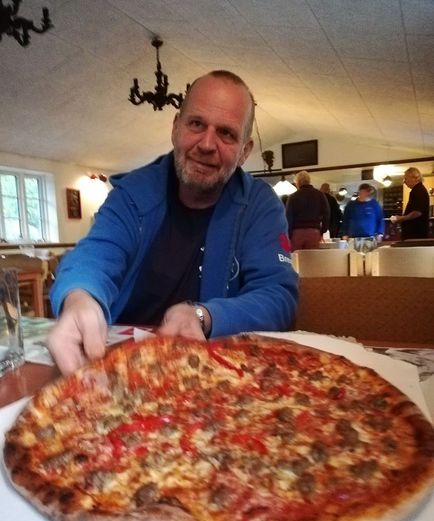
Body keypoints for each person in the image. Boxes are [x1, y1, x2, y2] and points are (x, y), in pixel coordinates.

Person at [48, 70, 298, 375]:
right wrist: (79, 296)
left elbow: (278, 296)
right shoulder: (130, 193)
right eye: (196, 124)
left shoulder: (261, 206)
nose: (207, 144)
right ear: (176, 128)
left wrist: (205, 316)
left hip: (216, 373)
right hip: (118, 367)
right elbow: (95, 254)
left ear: (244, 151)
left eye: (226, 133)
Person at [285, 171, 330, 250]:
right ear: (309, 181)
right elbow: (327, 213)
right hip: (314, 231)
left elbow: (288, 217)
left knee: (296, 256)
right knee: (311, 257)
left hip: (297, 233)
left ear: (298, 183)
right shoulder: (320, 195)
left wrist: (289, 234)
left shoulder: (292, 197)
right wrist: (323, 230)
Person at [390, 167, 429, 240]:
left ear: (415, 178)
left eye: (406, 178)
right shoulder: (417, 190)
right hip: (414, 234)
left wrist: (401, 218)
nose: (404, 181)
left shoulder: (419, 191)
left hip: (415, 234)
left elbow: (417, 212)